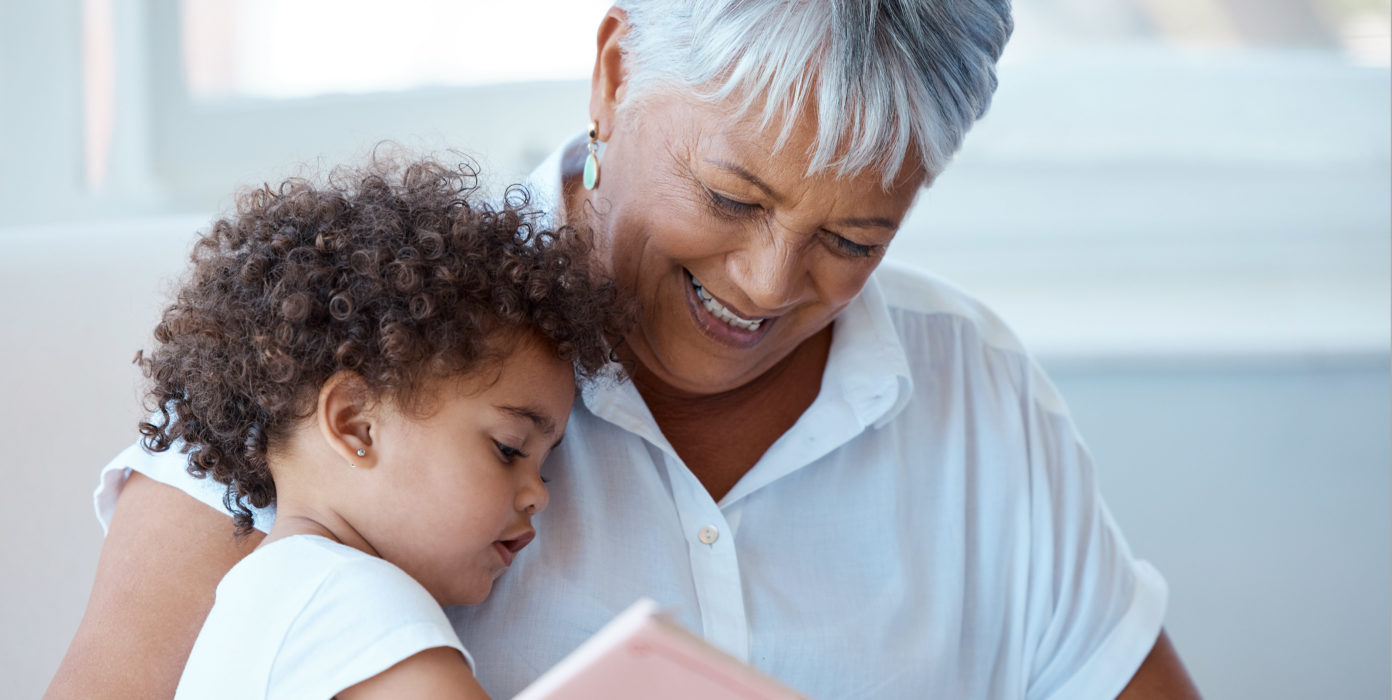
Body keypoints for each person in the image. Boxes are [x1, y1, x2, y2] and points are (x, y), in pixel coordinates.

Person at [48, 2, 1201, 698]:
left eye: (855, 236)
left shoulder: (975, 398)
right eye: (729, 194)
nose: (768, 283)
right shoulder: (335, 370)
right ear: (614, 73)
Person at [122, 156, 622, 699]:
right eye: (509, 449)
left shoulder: (267, 597)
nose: (538, 498)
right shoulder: (358, 607)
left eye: (543, 470)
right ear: (355, 424)